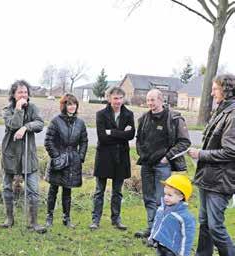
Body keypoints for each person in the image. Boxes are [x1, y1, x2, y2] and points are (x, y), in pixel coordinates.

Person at [188, 74, 235, 256]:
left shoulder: (233, 114)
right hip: (208, 177)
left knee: (216, 226)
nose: (211, 92)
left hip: (221, 181)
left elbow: (230, 152)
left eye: (215, 88)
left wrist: (201, 154)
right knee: (205, 223)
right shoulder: (222, 110)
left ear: (225, 90)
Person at [135, 89, 191, 239]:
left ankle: (160, 233)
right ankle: (151, 227)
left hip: (162, 165)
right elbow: (139, 140)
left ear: (161, 100)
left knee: (163, 199)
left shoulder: (174, 118)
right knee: (148, 197)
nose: (150, 103)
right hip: (147, 164)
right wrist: (142, 154)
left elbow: (184, 142)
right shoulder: (143, 118)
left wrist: (167, 158)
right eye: (148, 100)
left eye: (153, 100)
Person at [0, 80, 46, 233]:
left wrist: (26, 127)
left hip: (28, 154)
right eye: (20, 92)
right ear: (13, 95)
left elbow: (40, 123)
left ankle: (33, 222)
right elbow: (12, 125)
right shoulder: (7, 110)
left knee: (33, 189)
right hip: (10, 153)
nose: (23, 95)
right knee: (7, 187)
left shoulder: (33, 108)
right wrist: (18, 109)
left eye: (25, 92)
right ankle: (9, 218)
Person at [90, 87, 135, 230]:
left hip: (121, 157)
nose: (118, 101)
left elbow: (131, 135)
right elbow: (102, 137)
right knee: (99, 191)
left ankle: (116, 219)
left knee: (118, 191)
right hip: (104, 156)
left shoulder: (129, 114)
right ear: (109, 99)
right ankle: (95, 220)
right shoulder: (101, 114)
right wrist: (121, 134)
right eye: (115, 98)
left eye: (120, 98)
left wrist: (112, 132)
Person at [44, 93, 88, 228]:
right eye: (69, 104)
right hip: (58, 161)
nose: (72, 106)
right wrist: (57, 156)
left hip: (73, 161)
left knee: (68, 191)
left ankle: (66, 218)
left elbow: (84, 141)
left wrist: (80, 157)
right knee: (53, 189)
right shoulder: (55, 121)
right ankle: (49, 217)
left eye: (74, 104)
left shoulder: (80, 123)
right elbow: (48, 141)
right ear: (64, 105)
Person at [147, 174, 195, 256]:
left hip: (172, 247)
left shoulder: (184, 216)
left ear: (181, 197)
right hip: (160, 243)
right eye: (165, 194)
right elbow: (156, 225)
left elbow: (188, 235)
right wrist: (152, 237)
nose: (166, 198)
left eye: (170, 195)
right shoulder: (161, 209)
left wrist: (184, 251)